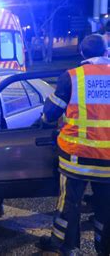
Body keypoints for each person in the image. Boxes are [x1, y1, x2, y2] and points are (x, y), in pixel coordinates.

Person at [38, 34, 110, 255]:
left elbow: (50, 114)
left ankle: (68, 248)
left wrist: (43, 120)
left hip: (75, 157)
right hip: (108, 160)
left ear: (82, 53)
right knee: (105, 208)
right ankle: (104, 249)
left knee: (69, 204)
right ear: (106, 52)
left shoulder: (71, 77)